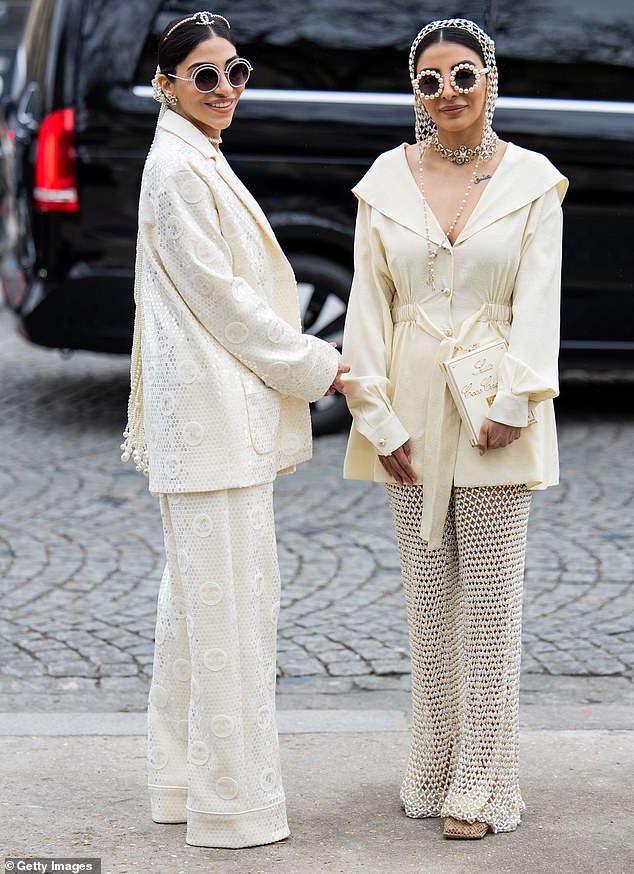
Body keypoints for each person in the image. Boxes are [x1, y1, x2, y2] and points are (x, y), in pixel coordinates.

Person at [120, 10, 347, 849]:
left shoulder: (192, 154)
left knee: (197, 611)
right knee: (229, 619)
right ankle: (232, 808)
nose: (225, 89)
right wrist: (319, 365)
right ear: (167, 83)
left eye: (236, 71)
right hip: (209, 421)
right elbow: (227, 304)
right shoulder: (177, 168)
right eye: (205, 75)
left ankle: (181, 784)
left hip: (211, 421)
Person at [342, 18, 567, 839]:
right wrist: (375, 415)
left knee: (492, 605)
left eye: (464, 75)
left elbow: (540, 304)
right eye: (431, 80)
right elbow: (369, 307)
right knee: (429, 603)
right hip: (405, 408)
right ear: (415, 92)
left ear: (491, 79)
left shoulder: (533, 182)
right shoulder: (384, 179)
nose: (449, 94)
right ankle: (431, 764)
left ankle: (483, 782)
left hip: (493, 404)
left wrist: (515, 403)